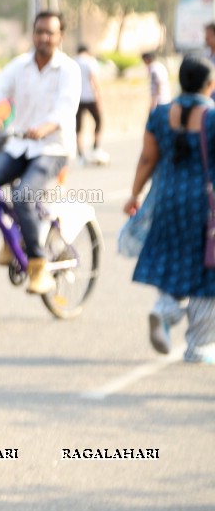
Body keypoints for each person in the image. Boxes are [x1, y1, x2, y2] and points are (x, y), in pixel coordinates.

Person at [0, 10, 81, 296]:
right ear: (33, 33)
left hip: (53, 148)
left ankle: (39, 264)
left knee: (23, 195)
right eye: (39, 31)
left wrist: (45, 127)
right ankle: (13, 235)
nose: (43, 37)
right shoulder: (19, 66)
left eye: (50, 33)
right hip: (19, 144)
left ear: (60, 37)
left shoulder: (68, 69)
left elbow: (66, 109)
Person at [124, 55, 215, 364]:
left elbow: (148, 159)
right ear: (210, 84)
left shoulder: (161, 115)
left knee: (173, 259)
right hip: (205, 207)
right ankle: (199, 346)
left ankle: (164, 312)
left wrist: (134, 194)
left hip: (167, 200)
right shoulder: (213, 117)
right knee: (206, 273)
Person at [75, 43, 108, 165]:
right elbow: (94, 80)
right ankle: (95, 147)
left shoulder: (73, 62)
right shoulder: (90, 61)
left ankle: (80, 154)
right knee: (98, 121)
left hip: (77, 98)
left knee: (78, 127)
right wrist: (99, 98)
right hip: (90, 97)